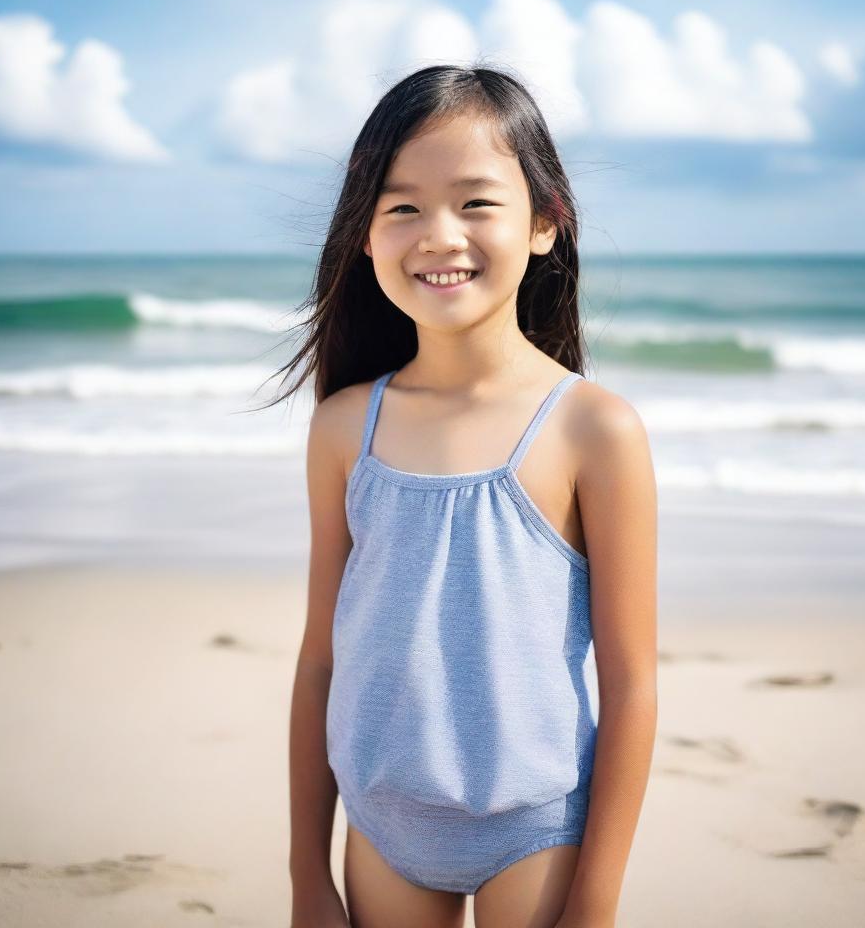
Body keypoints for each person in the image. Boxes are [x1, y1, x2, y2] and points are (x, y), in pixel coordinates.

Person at [276, 63, 658, 928]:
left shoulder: (595, 430)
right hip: (383, 823)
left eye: (477, 202)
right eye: (401, 206)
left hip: (537, 827)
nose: (439, 235)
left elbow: (631, 682)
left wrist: (594, 905)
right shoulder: (344, 428)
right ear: (365, 236)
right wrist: (307, 878)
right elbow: (319, 664)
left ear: (545, 225)